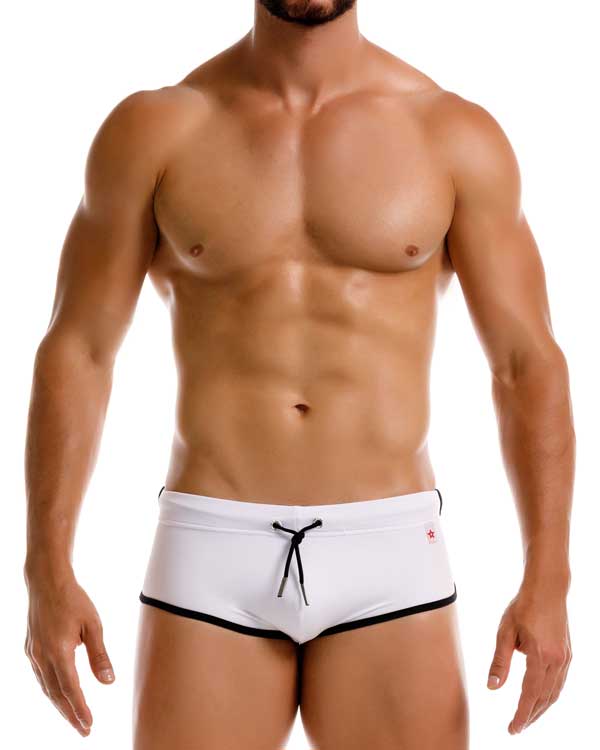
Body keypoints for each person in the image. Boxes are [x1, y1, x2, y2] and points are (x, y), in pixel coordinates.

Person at [23, 1, 574, 748]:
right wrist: (46, 570)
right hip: (212, 548)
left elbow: (525, 363)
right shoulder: (157, 129)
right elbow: (79, 349)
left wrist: (549, 578)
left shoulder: (450, 133)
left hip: (388, 550)